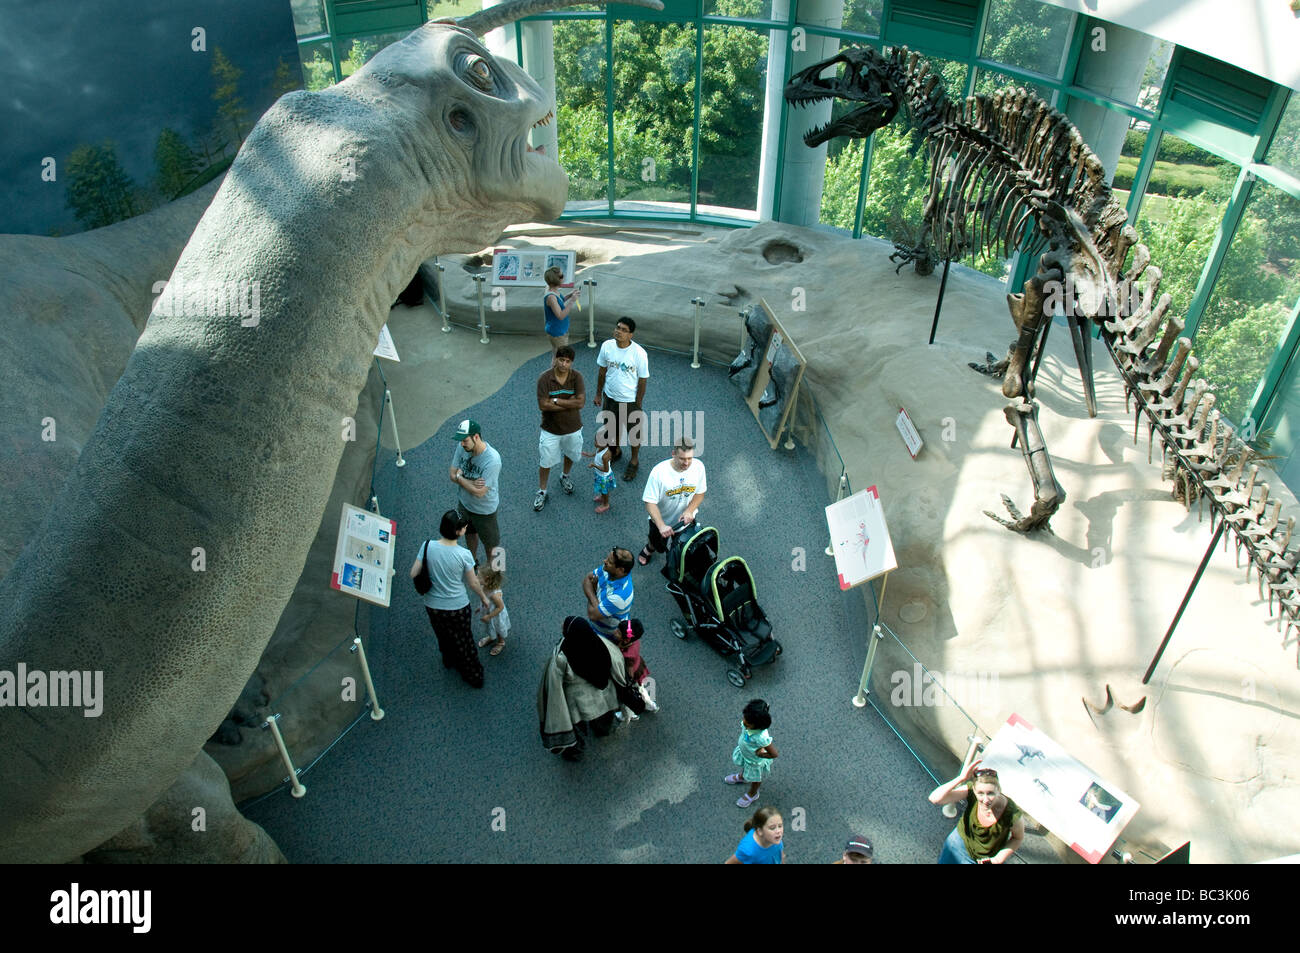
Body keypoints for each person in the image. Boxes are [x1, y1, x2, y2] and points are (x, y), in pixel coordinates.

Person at [538, 616, 643, 761]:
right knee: (604, 719)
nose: (561, 625)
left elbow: (553, 682)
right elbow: (617, 665)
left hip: (578, 701)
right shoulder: (600, 643)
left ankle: (576, 750)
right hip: (605, 695)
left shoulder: (563, 655)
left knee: (578, 727)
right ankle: (604, 730)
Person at [409, 510, 492, 688]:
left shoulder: (426, 546)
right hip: (457, 606)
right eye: (464, 527)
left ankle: (449, 660)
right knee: (464, 639)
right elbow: (473, 584)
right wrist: (484, 598)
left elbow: (413, 573)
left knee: (443, 635)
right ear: (458, 531)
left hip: (432, 605)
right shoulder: (464, 555)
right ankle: (473, 675)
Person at [928, 760, 1025, 864]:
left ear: (999, 790)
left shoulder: (1011, 814)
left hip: (982, 860)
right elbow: (935, 798)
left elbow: (1017, 838)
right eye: (980, 793)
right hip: (956, 845)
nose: (986, 799)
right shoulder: (970, 792)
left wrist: (998, 859)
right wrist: (961, 778)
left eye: (991, 793)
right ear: (974, 790)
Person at [594, 317, 649, 481]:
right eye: (618, 327)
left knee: (634, 433)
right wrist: (598, 393)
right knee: (611, 428)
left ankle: (634, 460)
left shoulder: (639, 353)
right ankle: (616, 451)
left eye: (624, 330)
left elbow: (643, 380)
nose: (619, 331)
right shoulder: (607, 346)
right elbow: (602, 372)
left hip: (629, 401)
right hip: (609, 397)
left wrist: (638, 404)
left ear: (631, 334)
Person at [638, 437, 706, 566]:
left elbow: (700, 493)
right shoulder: (658, 473)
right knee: (657, 542)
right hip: (661, 521)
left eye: (690, 458)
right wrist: (661, 525)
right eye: (682, 459)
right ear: (673, 454)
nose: (686, 463)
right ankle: (650, 548)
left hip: (685, 520)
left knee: (683, 546)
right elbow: (649, 502)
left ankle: (676, 562)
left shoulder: (698, 467)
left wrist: (689, 511)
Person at [535, 345, 585, 512]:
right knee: (545, 462)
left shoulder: (577, 377)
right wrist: (569, 404)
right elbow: (543, 405)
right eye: (561, 360)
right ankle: (542, 491)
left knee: (570, 454)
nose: (564, 364)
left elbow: (581, 403)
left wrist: (555, 401)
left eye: (567, 361)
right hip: (550, 430)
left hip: (573, 428)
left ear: (571, 363)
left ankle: (565, 476)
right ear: (555, 359)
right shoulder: (544, 379)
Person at [448, 419, 501, 566]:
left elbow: (480, 493)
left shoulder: (493, 460)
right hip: (465, 505)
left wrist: (460, 476)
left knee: (493, 545)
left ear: (476, 437)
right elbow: (451, 475)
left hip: (485, 511)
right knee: (469, 533)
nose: (462, 444)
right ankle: (472, 562)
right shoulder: (462, 447)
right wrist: (467, 481)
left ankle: (497, 573)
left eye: (465, 440)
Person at [725, 698, 777, 808]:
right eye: (744, 718)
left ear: (758, 725)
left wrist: (761, 754)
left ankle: (753, 793)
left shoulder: (761, 738)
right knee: (746, 768)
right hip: (746, 755)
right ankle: (743, 777)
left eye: (747, 723)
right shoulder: (748, 723)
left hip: (754, 762)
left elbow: (774, 754)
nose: (743, 722)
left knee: (755, 778)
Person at [583, 546, 634, 640]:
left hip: (604, 635)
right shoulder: (609, 570)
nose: (604, 561)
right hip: (595, 626)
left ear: (621, 570)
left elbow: (592, 615)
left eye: (610, 562)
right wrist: (597, 605)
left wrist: (594, 590)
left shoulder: (620, 597)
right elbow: (587, 579)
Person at [475, 565, 510, 657]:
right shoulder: (484, 587)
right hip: (488, 612)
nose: (475, 577)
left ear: (487, 579)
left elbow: (500, 607)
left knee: (498, 628)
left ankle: (501, 642)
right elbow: (485, 600)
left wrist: (489, 616)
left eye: (478, 576)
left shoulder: (494, 594)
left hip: (495, 615)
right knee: (491, 627)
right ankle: (491, 636)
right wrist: (480, 608)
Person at [542, 266, 579, 352]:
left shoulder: (553, 291)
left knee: (556, 354)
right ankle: (556, 366)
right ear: (556, 280)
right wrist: (572, 301)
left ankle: (553, 365)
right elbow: (560, 315)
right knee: (562, 356)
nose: (564, 278)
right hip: (557, 332)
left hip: (558, 329)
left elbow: (560, 301)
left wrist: (570, 295)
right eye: (562, 276)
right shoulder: (551, 297)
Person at [584, 433, 616, 514]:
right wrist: (589, 455)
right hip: (600, 475)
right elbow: (596, 453)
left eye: (598, 442)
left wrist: (594, 465)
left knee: (605, 490)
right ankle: (602, 497)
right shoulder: (600, 448)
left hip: (604, 477)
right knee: (602, 490)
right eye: (596, 441)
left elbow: (606, 469)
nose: (595, 443)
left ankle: (606, 504)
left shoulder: (606, 455)